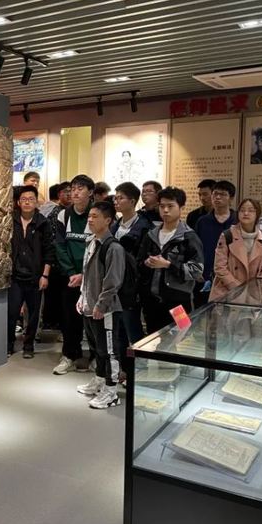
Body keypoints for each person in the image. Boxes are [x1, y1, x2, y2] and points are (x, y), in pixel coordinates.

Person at [76, 201, 125, 409]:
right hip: (90, 305)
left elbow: (113, 281)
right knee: (97, 347)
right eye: (90, 216)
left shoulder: (113, 247)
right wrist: (82, 297)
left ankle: (111, 391)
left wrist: (101, 305)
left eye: (95, 216)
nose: (90, 219)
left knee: (109, 350)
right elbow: (86, 274)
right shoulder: (91, 242)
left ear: (108, 220)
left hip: (106, 309)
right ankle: (99, 379)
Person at [137, 187, 204, 334]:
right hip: (152, 301)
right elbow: (139, 263)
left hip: (179, 301)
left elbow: (197, 270)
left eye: (170, 206)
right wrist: (147, 263)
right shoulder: (151, 235)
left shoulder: (188, 237)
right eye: (162, 206)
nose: (165, 210)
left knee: (181, 337)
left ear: (181, 208)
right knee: (153, 338)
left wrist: (168, 264)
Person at [7, 186, 55, 358]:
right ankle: (9, 344)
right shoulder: (11, 220)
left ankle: (28, 346)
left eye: (31, 199)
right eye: (24, 199)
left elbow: (49, 251)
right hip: (15, 276)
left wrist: (45, 275)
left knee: (34, 314)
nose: (27, 202)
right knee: (12, 312)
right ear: (18, 202)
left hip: (36, 276)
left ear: (36, 202)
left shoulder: (43, 223)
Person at [54, 174, 95, 375]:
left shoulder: (97, 214)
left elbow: (100, 246)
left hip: (92, 278)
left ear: (91, 192)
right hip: (70, 278)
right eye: (73, 188)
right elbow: (60, 246)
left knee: (94, 319)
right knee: (69, 319)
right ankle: (70, 355)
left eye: (80, 188)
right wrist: (72, 273)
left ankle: (96, 358)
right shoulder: (64, 215)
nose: (75, 192)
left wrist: (85, 274)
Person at [208, 198, 262, 301]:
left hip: (253, 295)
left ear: (257, 214)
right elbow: (219, 267)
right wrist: (238, 288)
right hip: (228, 292)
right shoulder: (228, 235)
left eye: (251, 210)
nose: (246, 213)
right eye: (242, 210)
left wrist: (256, 290)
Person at [112, 182, 151, 345]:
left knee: (132, 328)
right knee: (117, 328)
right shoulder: (114, 225)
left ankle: (137, 360)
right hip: (114, 283)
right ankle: (121, 360)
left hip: (132, 285)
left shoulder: (144, 227)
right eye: (115, 198)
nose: (116, 201)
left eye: (120, 198)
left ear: (132, 201)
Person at [194, 180, 237, 306]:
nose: (217, 197)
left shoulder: (237, 220)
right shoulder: (202, 221)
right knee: (203, 311)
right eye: (215, 194)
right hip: (204, 276)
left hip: (232, 277)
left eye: (222, 194)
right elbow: (196, 248)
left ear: (231, 198)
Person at [42, 182, 72, 331]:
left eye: (71, 191)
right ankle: (52, 324)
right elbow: (53, 240)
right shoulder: (56, 213)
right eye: (66, 191)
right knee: (54, 297)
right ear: (59, 194)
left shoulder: (73, 212)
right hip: (55, 262)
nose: (69, 194)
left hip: (70, 264)